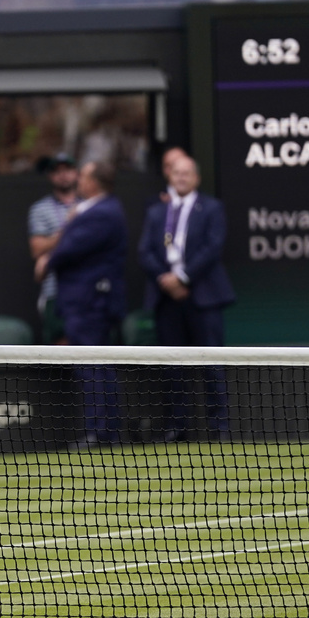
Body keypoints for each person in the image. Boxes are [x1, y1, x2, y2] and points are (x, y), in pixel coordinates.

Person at [137, 155, 236, 442]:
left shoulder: (212, 208)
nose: (181, 178)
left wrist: (183, 277)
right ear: (170, 177)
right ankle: (176, 427)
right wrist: (167, 281)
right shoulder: (157, 212)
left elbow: (213, 247)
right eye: (176, 173)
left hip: (203, 297)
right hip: (167, 300)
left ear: (196, 178)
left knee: (212, 364)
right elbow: (145, 252)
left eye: (187, 173)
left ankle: (220, 429)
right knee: (172, 366)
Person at [40, 160, 127, 446]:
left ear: (94, 182)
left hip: (90, 302)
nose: (79, 179)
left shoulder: (102, 212)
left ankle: (101, 433)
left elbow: (69, 249)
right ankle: (101, 431)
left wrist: (47, 262)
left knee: (93, 365)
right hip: (83, 301)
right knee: (91, 363)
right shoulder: (90, 209)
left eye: (84, 175)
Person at [27, 152, 78, 344]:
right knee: (61, 348)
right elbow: (37, 249)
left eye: (68, 170)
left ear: (76, 173)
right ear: (50, 176)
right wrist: (69, 228)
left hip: (87, 290)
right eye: (57, 171)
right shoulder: (40, 209)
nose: (63, 175)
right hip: (54, 291)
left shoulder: (89, 204)